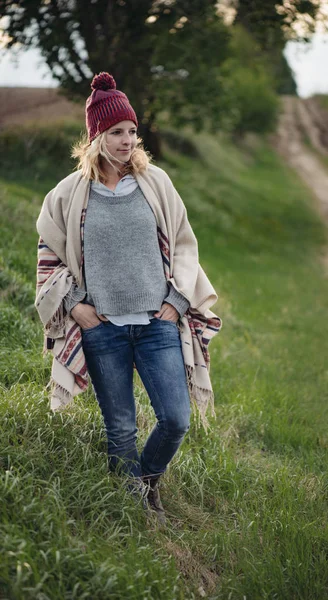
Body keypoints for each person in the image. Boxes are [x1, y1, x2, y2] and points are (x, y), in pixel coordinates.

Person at [35, 72, 222, 524]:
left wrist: (176, 300)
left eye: (132, 132)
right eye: (117, 132)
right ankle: (137, 513)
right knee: (119, 429)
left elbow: (182, 243)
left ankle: (146, 483)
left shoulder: (155, 183)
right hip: (103, 331)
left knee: (175, 418)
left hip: (156, 324)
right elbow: (49, 255)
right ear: (96, 135)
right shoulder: (68, 194)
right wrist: (76, 304)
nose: (128, 141)